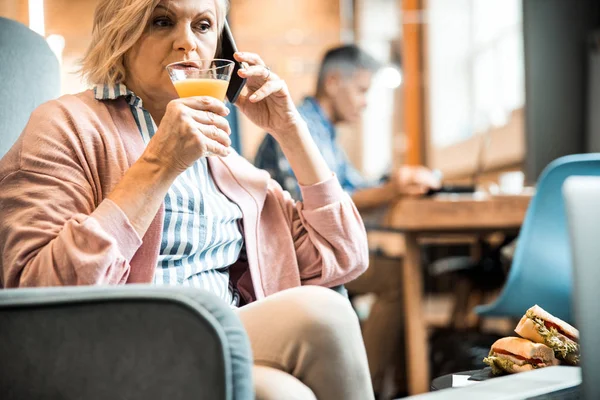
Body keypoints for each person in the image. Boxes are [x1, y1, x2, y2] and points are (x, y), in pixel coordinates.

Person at [0, 1, 374, 399]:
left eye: (203, 26)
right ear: (119, 32)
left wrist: (290, 129)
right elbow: (37, 292)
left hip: (225, 336)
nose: (187, 43)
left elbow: (343, 254)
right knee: (322, 319)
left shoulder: (224, 158)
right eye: (162, 22)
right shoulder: (64, 124)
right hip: (122, 345)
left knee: (284, 391)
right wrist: (159, 165)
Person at [255, 44, 441, 397]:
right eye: (361, 90)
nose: (365, 102)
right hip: (292, 257)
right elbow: (316, 206)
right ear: (334, 81)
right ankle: (358, 385)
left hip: (318, 252)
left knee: (403, 271)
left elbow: (350, 187)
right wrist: (392, 189)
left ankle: (392, 385)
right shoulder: (300, 126)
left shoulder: (324, 132)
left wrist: (393, 183)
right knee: (400, 278)